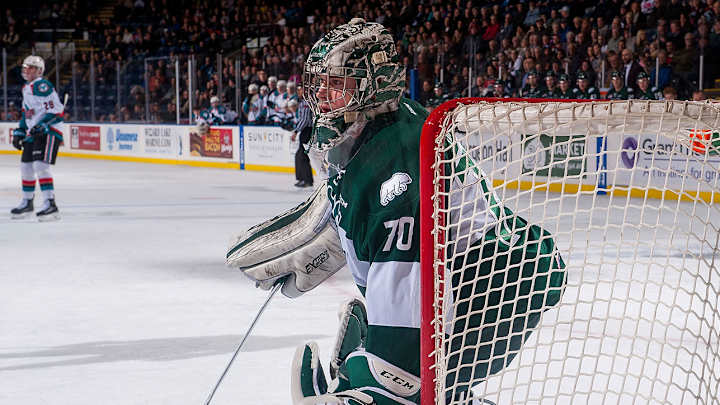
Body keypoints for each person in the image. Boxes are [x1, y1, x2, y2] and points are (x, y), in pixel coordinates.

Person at [227, 18, 565, 404]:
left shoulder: (398, 161)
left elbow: (406, 324)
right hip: (477, 276)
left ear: (372, 86)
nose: (321, 93)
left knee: (407, 384)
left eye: (336, 83)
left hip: (500, 283)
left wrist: (377, 379)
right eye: (319, 82)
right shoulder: (377, 129)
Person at [10, 55, 64, 221]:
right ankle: (27, 202)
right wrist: (20, 130)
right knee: (26, 166)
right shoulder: (27, 88)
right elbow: (27, 113)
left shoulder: (42, 85)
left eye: (31, 67)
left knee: (40, 165)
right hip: (33, 132)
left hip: (49, 131)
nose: (27, 70)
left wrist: (44, 125)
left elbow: (57, 111)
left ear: (39, 71)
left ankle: (50, 204)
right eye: (26, 67)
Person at [288, 94, 314, 188]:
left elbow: (305, 120)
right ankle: (302, 179)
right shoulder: (301, 102)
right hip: (305, 131)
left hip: (307, 130)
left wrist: (296, 131)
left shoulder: (306, 102)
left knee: (303, 156)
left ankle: (307, 180)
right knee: (299, 155)